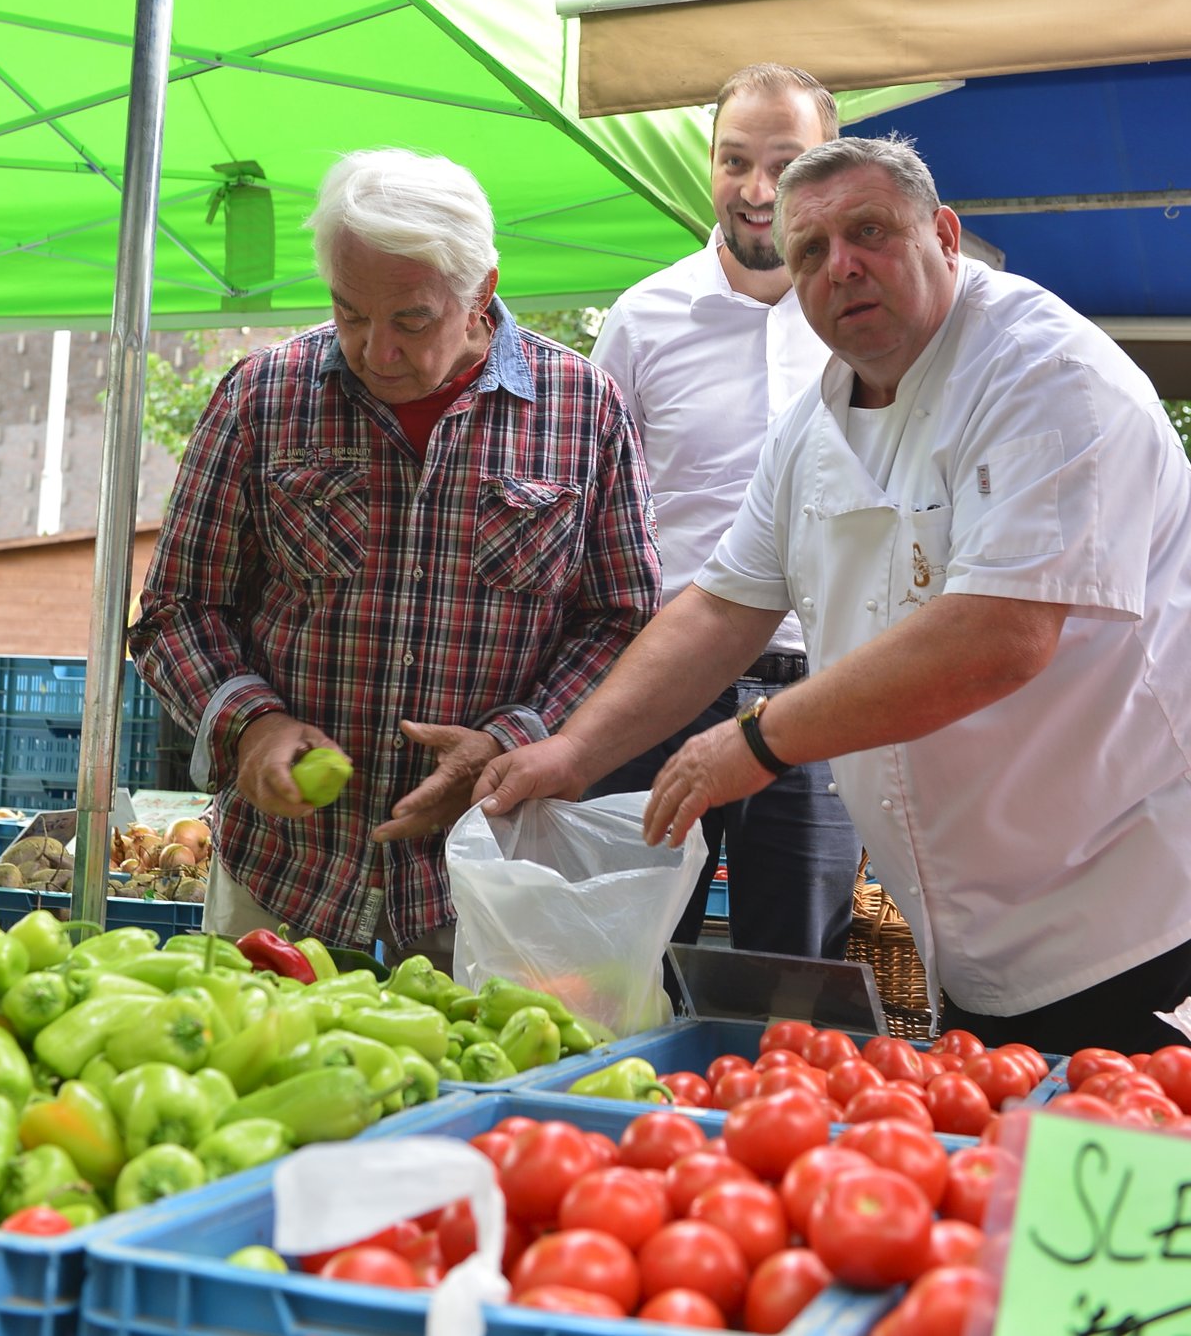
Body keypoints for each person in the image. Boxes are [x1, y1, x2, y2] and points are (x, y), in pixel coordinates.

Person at [475, 134, 1191, 1054]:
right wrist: (571, 756)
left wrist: (759, 740)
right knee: (1009, 1182)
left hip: (1132, 911)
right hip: (974, 944)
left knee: (1112, 1185)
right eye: (809, 250)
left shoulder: (1046, 373)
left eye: (870, 232)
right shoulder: (814, 420)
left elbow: (1000, 635)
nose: (840, 267)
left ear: (944, 234)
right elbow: (720, 608)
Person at [129, 148, 662, 961]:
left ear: (481, 292)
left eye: (411, 319)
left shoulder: (583, 410)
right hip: (283, 875)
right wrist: (253, 724)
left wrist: (512, 740)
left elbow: (621, 621)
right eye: (350, 315)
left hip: (485, 878)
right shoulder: (262, 397)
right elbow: (176, 610)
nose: (376, 351)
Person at [585, 63, 860, 956]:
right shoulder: (641, 320)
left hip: (823, 697)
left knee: (800, 979)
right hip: (666, 694)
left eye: (787, 161)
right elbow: (594, 516)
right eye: (734, 159)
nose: (757, 189)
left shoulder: (866, 319)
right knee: (632, 958)